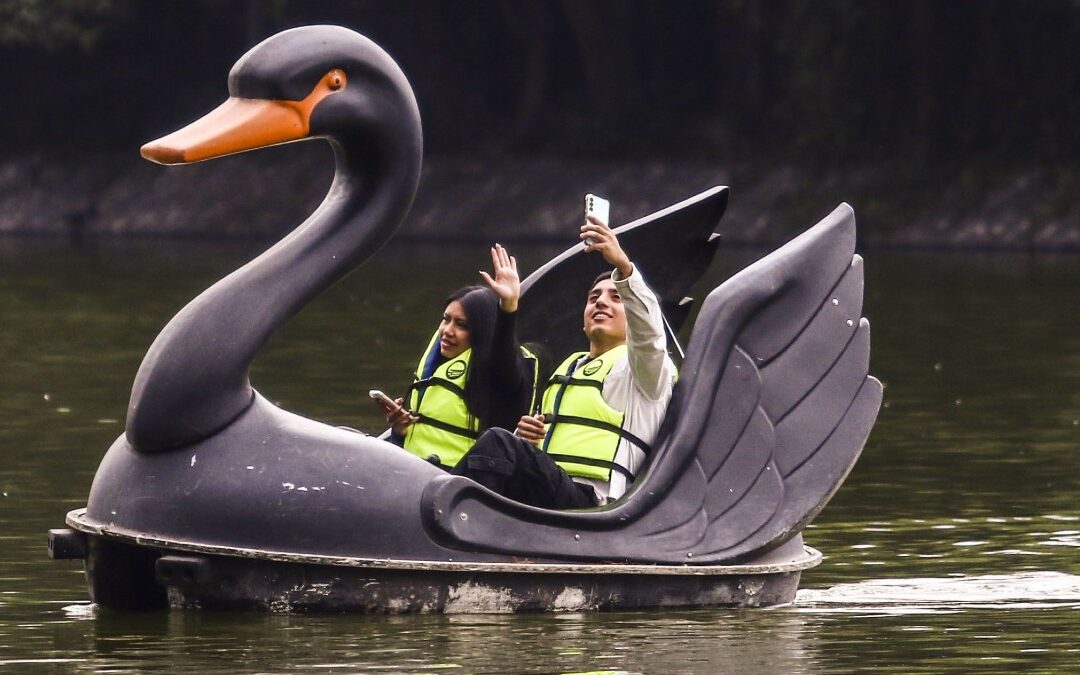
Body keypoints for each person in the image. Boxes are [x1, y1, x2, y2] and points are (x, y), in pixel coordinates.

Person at [451, 214, 677, 508]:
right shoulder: (569, 368)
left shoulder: (645, 373)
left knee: (499, 443)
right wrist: (525, 439)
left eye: (615, 297)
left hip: (595, 503)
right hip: (554, 491)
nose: (601, 302)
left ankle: (447, 511)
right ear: (583, 320)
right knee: (506, 442)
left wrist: (624, 269)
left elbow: (650, 338)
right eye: (593, 297)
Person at [381, 244, 539, 469]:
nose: (447, 331)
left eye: (462, 325)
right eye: (446, 319)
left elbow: (503, 355)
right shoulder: (435, 368)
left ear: (482, 332)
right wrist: (399, 429)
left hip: (461, 482)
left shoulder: (498, 372)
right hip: (413, 472)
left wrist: (508, 307)